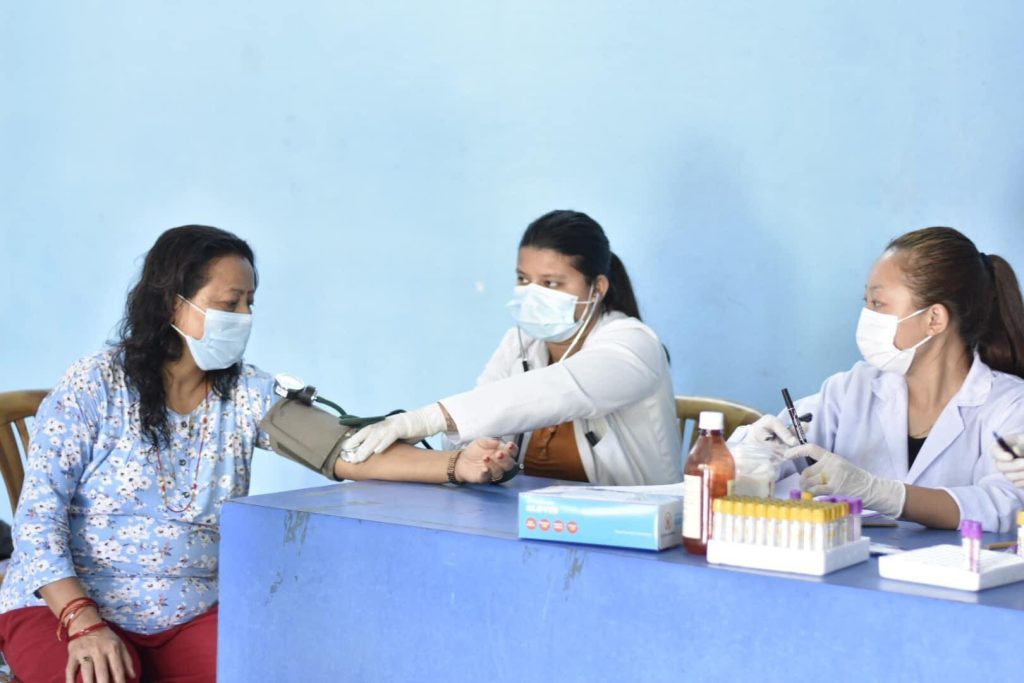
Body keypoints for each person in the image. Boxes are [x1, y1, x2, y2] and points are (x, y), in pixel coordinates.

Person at [0, 225, 514, 683]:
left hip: (184, 613)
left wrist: (456, 465)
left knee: (275, 666)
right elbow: (37, 520)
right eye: (230, 304)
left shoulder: (246, 392)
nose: (244, 317)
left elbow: (341, 449)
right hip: (62, 609)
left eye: (250, 302)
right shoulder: (96, 383)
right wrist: (83, 622)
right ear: (173, 303)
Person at [344, 210, 682, 486]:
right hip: (529, 519)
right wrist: (482, 454)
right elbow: (473, 425)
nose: (532, 294)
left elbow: (561, 390)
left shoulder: (635, 344)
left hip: (631, 528)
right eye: (523, 279)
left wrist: (424, 419)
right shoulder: (520, 343)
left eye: (551, 283)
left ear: (597, 289)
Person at [738, 227, 1024, 531]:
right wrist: (756, 452)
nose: (867, 316)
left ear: (934, 319)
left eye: (877, 303)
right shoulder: (852, 389)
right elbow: (768, 466)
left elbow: (1007, 505)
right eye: (866, 301)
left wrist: (881, 493)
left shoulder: (1009, 405)